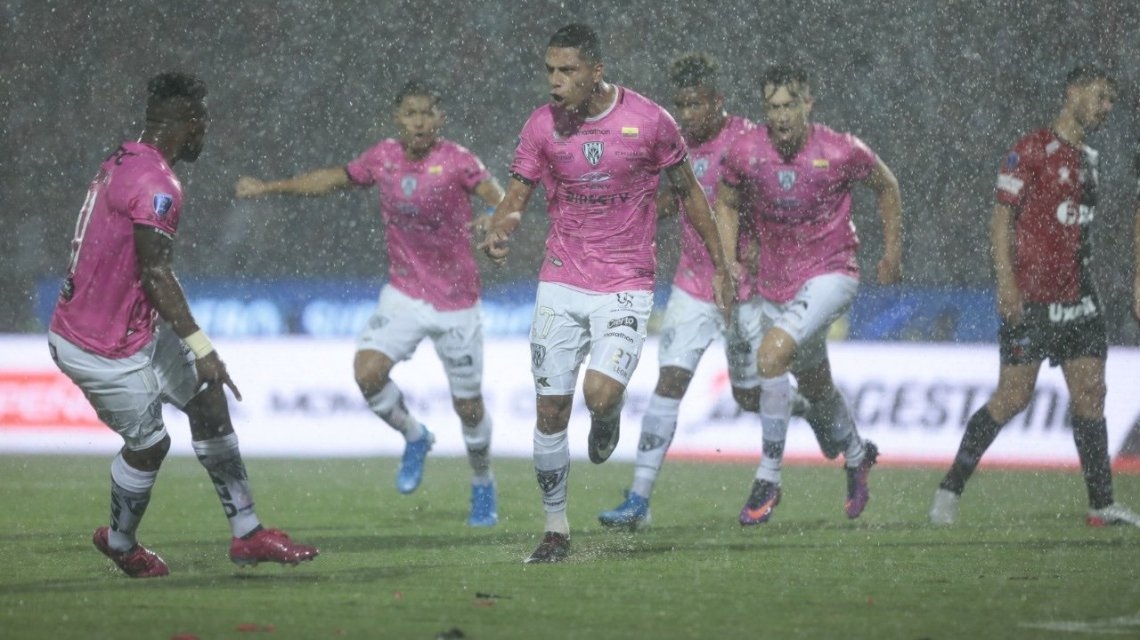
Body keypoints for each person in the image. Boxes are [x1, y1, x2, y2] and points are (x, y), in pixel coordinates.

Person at [48, 72, 319, 578]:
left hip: (134, 329)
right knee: (151, 446)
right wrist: (201, 345)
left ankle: (248, 534)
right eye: (204, 123)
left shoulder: (123, 157)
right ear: (188, 123)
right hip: (98, 344)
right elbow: (155, 271)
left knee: (208, 399)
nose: (205, 134)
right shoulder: (158, 184)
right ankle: (120, 543)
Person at [479, 25, 734, 562]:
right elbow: (516, 198)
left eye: (567, 70)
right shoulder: (542, 126)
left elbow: (690, 195)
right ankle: (555, 529)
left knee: (598, 394)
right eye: (550, 70)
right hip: (561, 280)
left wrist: (720, 265)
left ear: (596, 71)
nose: (555, 81)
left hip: (625, 282)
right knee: (551, 411)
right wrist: (501, 228)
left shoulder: (650, 122)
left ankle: (607, 414)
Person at [235, 80, 505, 527]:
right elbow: (331, 179)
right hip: (404, 293)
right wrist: (269, 187)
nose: (420, 122)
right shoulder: (383, 158)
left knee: (469, 407)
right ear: (396, 119)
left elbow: (503, 201)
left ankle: (482, 482)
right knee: (367, 373)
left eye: (428, 113)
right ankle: (415, 436)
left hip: (457, 301)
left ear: (441, 119)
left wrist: (492, 222)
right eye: (411, 113)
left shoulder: (460, 161)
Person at [595, 52, 828, 530]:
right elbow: (675, 196)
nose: (687, 114)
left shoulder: (747, 141)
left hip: (745, 289)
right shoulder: (671, 142)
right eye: (680, 104)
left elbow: (772, 198)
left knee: (748, 397)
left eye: (696, 104)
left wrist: (761, 247)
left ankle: (808, 411)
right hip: (693, 283)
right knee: (670, 382)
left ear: (717, 100)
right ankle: (638, 499)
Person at [930, 65, 1140, 527]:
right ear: (1073, 92)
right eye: (1100, 96)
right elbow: (1001, 219)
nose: (1107, 108)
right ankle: (950, 487)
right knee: (1012, 397)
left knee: (1092, 394)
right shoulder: (1030, 150)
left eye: (1111, 100)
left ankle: (1102, 503)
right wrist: (1006, 282)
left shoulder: (1092, 158)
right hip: (1033, 298)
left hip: (1081, 298)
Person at [717, 63, 903, 526]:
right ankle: (857, 455)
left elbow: (887, 186)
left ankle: (768, 478)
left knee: (771, 355)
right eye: (772, 107)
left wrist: (892, 253)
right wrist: (729, 261)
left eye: (789, 105)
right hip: (776, 283)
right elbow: (726, 201)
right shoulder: (746, 152)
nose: (780, 116)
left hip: (833, 271)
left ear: (808, 104)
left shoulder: (841, 150)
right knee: (816, 384)